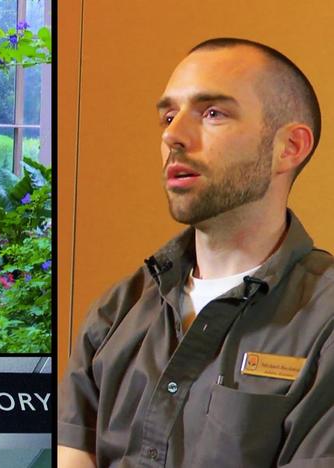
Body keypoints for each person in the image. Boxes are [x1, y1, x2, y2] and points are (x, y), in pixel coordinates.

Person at [58, 37, 334, 467]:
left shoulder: (326, 323)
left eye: (212, 113)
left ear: (290, 148)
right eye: (169, 115)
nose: (172, 135)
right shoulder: (116, 313)